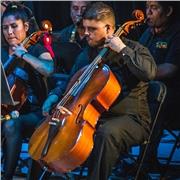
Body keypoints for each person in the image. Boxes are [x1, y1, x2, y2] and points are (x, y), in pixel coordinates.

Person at [42, 2, 157, 179]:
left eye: (92, 29)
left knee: (105, 133)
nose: (86, 33)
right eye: (85, 28)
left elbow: (149, 73)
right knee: (54, 124)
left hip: (131, 119)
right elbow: (71, 83)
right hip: (96, 117)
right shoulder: (87, 54)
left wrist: (123, 50)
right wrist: (54, 96)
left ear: (109, 28)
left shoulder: (134, 48)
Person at [1, 3, 54, 180]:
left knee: (10, 124)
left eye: (14, 26)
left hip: (35, 114)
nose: (9, 32)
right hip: (6, 110)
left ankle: (7, 177)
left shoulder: (37, 49)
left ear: (26, 27)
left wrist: (23, 54)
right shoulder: (1, 52)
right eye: (5, 28)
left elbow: (48, 69)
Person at [139, 1, 180, 166]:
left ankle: (145, 161)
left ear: (168, 10)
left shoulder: (177, 33)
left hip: (172, 96)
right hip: (149, 91)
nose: (148, 12)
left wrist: (142, 73)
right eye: (147, 7)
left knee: (155, 97)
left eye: (154, 8)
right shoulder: (147, 33)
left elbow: (171, 68)